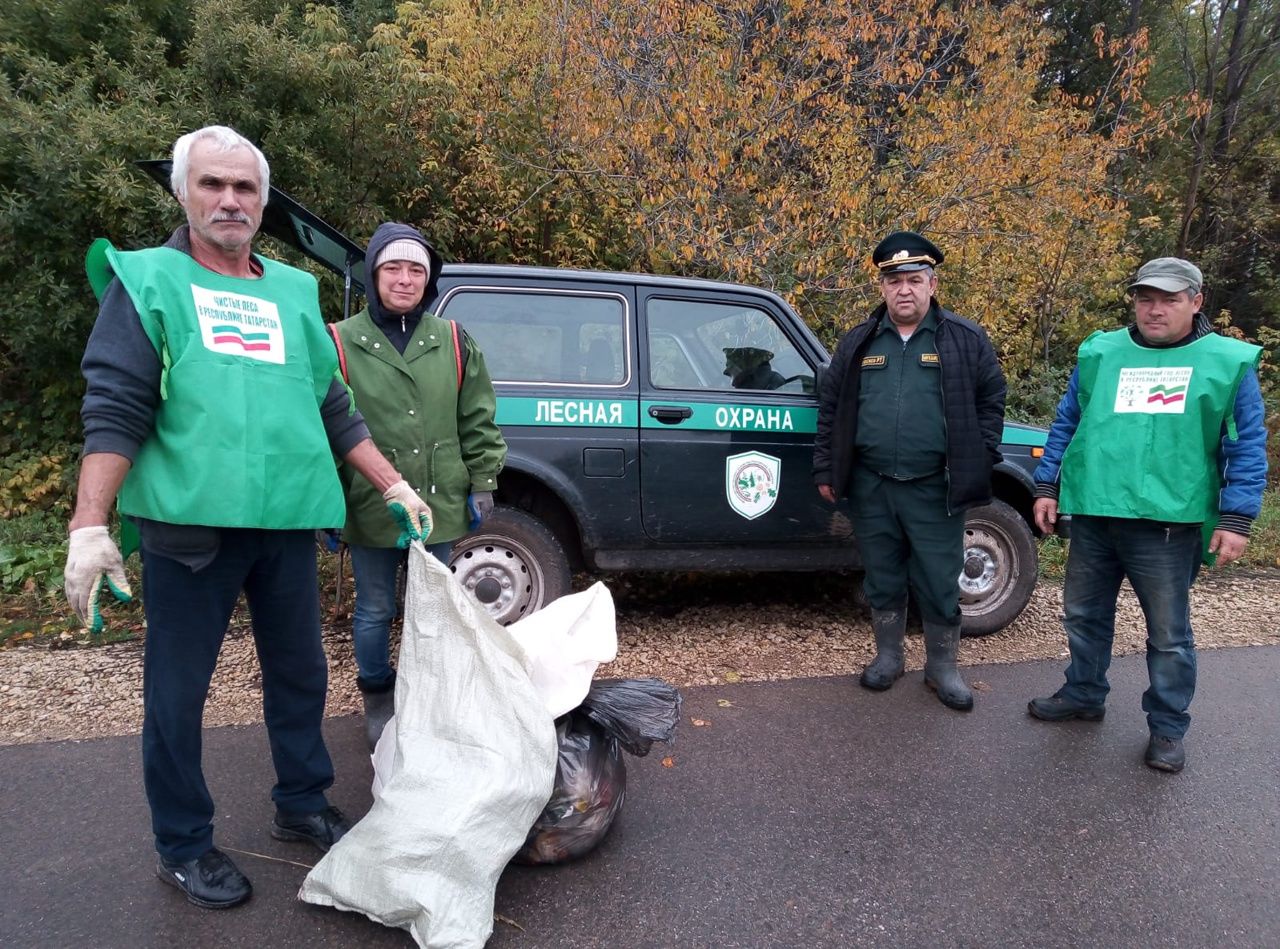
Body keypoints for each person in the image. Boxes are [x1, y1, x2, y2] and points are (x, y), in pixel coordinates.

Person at [63, 125, 435, 910]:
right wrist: (88, 523)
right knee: (177, 692)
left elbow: (333, 404)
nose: (229, 199)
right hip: (189, 532)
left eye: (244, 188)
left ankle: (302, 800)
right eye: (212, 185)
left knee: (301, 674)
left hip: (286, 526)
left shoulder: (293, 292)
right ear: (183, 192)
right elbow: (115, 405)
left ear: (263, 200)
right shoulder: (151, 280)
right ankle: (183, 842)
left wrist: (393, 484)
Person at [1027, 257, 1266, 773]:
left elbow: (1246, 446)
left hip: (1167, 525)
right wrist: (1048, 484)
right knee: (1084, 615)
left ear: (1196, 301)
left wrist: (1237, 517)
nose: (1154, 309)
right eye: (1145, 298)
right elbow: (1068, 420)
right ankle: (1084, 693)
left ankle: (1167, 727)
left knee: (1168, 633)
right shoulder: (1102, 352)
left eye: (1169, 299)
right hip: (1094, 513)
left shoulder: (1226, 362)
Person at [330, 222, 506, 750]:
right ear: (373, 274)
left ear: (427, 281)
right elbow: (322, 431)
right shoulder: (338, 341)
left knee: (435, 606)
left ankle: (429, 696)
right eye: (393, 268)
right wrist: (328, 507)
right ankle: (378, 697)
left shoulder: (452, 340)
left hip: (441, 497)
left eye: (415, 270)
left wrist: (482, 480)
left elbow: (477, 416)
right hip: (369, 502)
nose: (404, 279)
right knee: (376, 609)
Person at [813, 231, 1007, 711]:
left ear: (932, 284)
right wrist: (826, 467)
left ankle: (942, 669)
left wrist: (976, 458)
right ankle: (889, 656)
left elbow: (991, 402)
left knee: (940, 578)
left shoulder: (964, 339)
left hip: (935, 487)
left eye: (914, 280)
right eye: (895, 280)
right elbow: (831, 407)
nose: (904, 289)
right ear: (882, 288)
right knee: (882, 575)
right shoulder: (859, 342)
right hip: (871, 485)